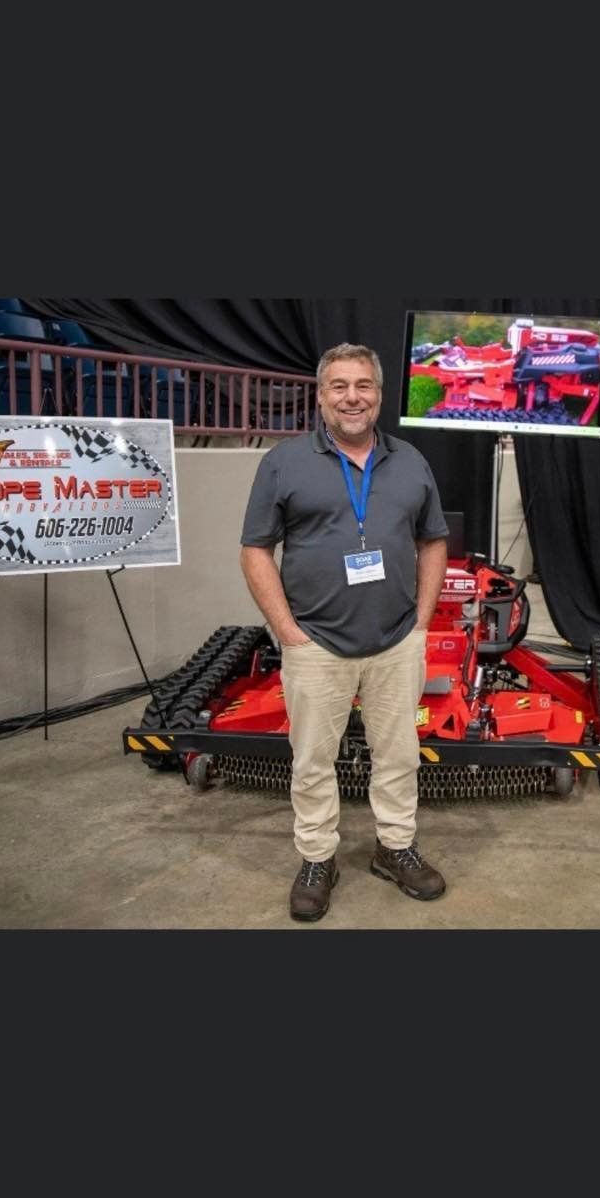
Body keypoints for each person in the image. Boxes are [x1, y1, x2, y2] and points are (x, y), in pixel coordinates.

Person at [240, 343, 450, 921]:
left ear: (379, 394)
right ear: (320, 395)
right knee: (311, 761)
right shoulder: (283, 463)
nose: (352, 397)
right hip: (316, 644)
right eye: (339, 386)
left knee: (399, 755)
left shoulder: (411, 461)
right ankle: (317, 859)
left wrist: (422, 621)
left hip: (396, 640)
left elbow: (433, 540)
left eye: (363, 385)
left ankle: (395, 847)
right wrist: (287, 631)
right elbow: (255, 550)